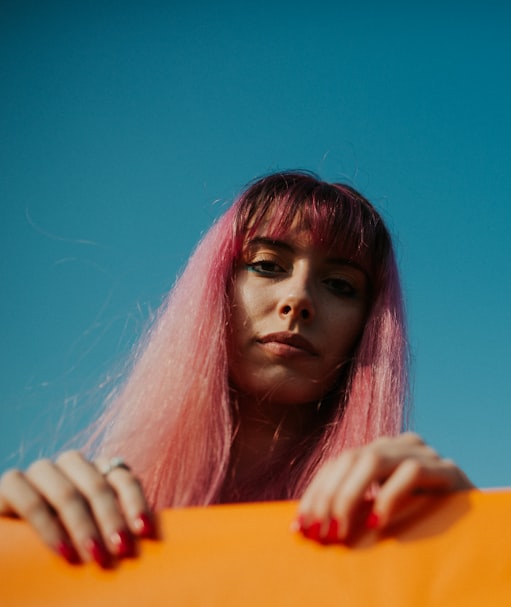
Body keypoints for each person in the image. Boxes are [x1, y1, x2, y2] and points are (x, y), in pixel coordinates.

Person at [0, 171, 473, 567]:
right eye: (267, 266)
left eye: (339, 285)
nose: (298, 300)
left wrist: (472, 545)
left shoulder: (400, 525)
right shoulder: (108, 514)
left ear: (370, 327)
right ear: (215, 290)